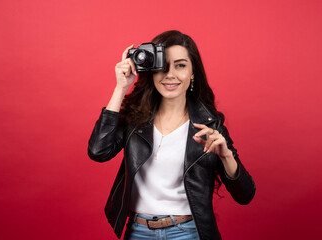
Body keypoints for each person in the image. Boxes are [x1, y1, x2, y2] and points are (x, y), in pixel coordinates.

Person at [88, 30, 256, 240]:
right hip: (138, 231)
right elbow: (98, 151)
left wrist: (226, 156)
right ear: (151, 70)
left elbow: (245, 195)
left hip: (189, 232)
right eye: (163, 66)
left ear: (193, 72)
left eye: (180, 65)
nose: (170, 75)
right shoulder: (134, 118)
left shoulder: (211, 123)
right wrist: (121, 87)